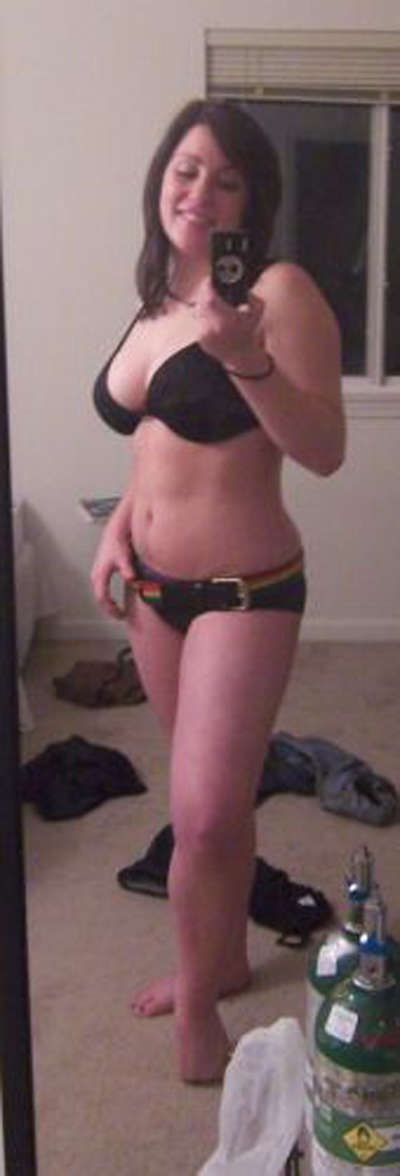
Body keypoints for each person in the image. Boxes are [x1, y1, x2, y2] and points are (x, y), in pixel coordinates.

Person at [91, 98, 345, 1084]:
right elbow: (159, 439)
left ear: (252, 200)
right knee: (218, 804)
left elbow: (322, 448)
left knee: (200, 815)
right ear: (161, 178)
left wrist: (248, 361)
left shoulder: (276, 292)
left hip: (246, 591)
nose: (200, 192)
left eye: (226, 179)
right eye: (186, 169)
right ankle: (225, 956)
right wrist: (120, 524)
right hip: (153, 594)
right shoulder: (156, 297)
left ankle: (199, 1007)